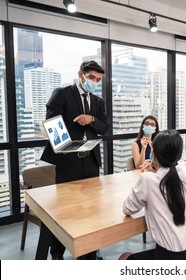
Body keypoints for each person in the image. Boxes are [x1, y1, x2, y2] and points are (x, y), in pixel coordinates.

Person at [40, 60, 109, 260]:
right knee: (64, 211)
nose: (94, 82)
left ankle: (88, 252)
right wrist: (63, 145)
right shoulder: (62, 94)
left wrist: (92, 120)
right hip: (68, 161)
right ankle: (57, 253)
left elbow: (105, 128)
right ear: (80, 74)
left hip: (91, 161)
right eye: (91, 78)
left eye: (98, 80)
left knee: (90, 210)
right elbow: (52, 123)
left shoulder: (98, 102)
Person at [119, 129, 186, 260]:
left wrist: (150, 173)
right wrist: (156, 168)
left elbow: (127, 209)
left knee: (124, 257)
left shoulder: (147, 180)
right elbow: (168, 176)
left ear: (153, 154)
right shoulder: (185, 173)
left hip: (168, 258)